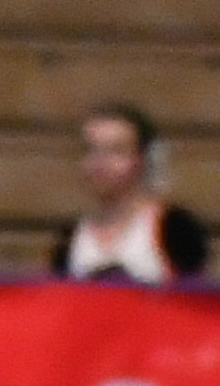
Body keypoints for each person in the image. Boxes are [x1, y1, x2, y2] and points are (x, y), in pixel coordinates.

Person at [50, 104, 207, 283]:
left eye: (116, 151)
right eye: (91, 150)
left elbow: (193, 299)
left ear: (143, 158)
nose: (100, 163)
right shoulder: (70, 237)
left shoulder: (175, 228)